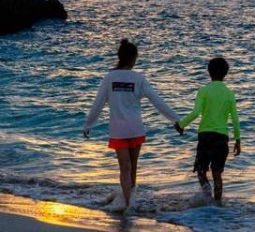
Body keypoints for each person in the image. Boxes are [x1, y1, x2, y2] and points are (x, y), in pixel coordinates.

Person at [83, 39, 182, 212]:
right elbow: (158, 101)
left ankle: (128, 203)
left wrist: (88, 125)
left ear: (120, 57)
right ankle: (130, 203)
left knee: (126, 167)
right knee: (131, 166)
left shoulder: (110, 78)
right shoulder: (137, 78)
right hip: (134, 129)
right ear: (133, 58)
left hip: (120, 130)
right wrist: (176, 120)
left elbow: (97, 104)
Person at [177, 57, 241, 203]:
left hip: (205, 136)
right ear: (226, 73)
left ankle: (207, 199)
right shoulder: (229, 93)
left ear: (208, 72)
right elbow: (235, 119)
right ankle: (217, 205)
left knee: (201, 172)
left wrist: (181, 124)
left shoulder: (203, 90)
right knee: (217, 174)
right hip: (221, 137)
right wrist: (238, 140)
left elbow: (196, 113)